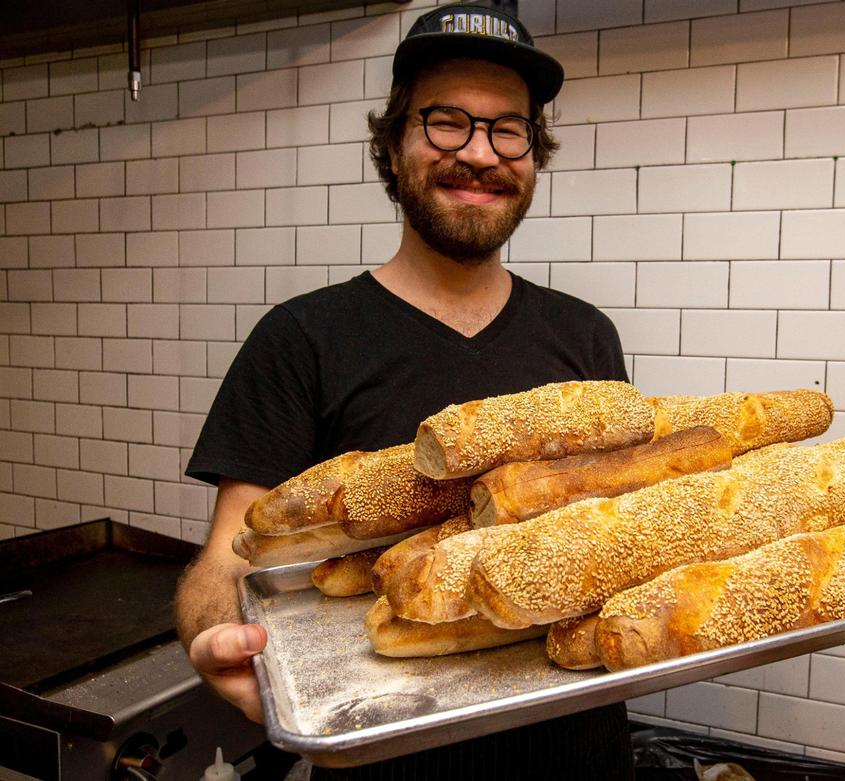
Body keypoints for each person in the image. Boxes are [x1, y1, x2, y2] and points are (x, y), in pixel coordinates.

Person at [174, 4, 636, 779]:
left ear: (533, 152)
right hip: (384, 752)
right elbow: (230, 557)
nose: (481, 154)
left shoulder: (586, 336)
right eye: (447, 122)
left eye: (508, 129)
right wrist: (219, 639)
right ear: (394, 143)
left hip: (578, 748)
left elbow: (623, 526)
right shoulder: (301, 339)